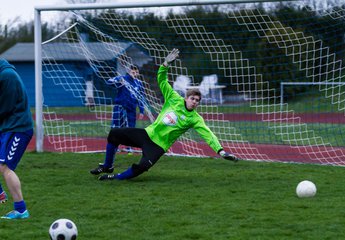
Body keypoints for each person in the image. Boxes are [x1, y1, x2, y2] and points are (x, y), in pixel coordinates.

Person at [90, 49, 238, 180]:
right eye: (192, 98)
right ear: (186, 98)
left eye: (197, 101)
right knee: (114, 134)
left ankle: (115, 178)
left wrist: (221, 151)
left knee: (141, 167)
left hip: (158, 146)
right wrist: (166, 63)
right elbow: (162, 80)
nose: (194, 102)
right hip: (147, 134)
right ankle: (107, 166)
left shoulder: (195, 119)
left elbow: (208, 135)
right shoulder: (173, 98)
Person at [0, 59, 33, 219]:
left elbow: (5, 108)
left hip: (18, 128)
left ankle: (21, 210)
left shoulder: (7, 76)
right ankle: (0, 194)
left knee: (6, 167)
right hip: (8, 127)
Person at [106, 64, 145, 153]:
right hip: (119, 107)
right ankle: (114, 147)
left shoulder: (139, 83)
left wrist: (141, 110)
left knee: (130, 129)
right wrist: (118, 81)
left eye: (136, 72)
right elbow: (108, 82)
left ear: (138, 73)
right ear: (129, 71)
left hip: (131, 109)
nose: (134, 73)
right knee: (116, 128)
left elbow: (141, 97)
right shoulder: (123, 78)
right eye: (132, 72)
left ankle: (128, 148)